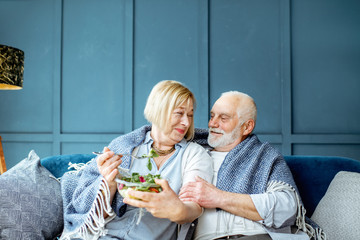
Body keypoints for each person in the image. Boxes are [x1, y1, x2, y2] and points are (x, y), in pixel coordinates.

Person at [60, 80, 213, 240]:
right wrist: (109, 182)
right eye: (179, 113)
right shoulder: (126, 147)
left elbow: (194, 207)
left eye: (190, 115)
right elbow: (96, 215)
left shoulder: (194, 154)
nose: (186, 122)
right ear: (159, 111)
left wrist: (178, 210)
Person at [179, 91, 324, 240]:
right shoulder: (193, 153)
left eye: (223, 118)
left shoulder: (264, 156)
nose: (212, 124)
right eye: (212, 116)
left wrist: (218, 197)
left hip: (257, 235)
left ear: (247, 127)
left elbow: (286, 208)